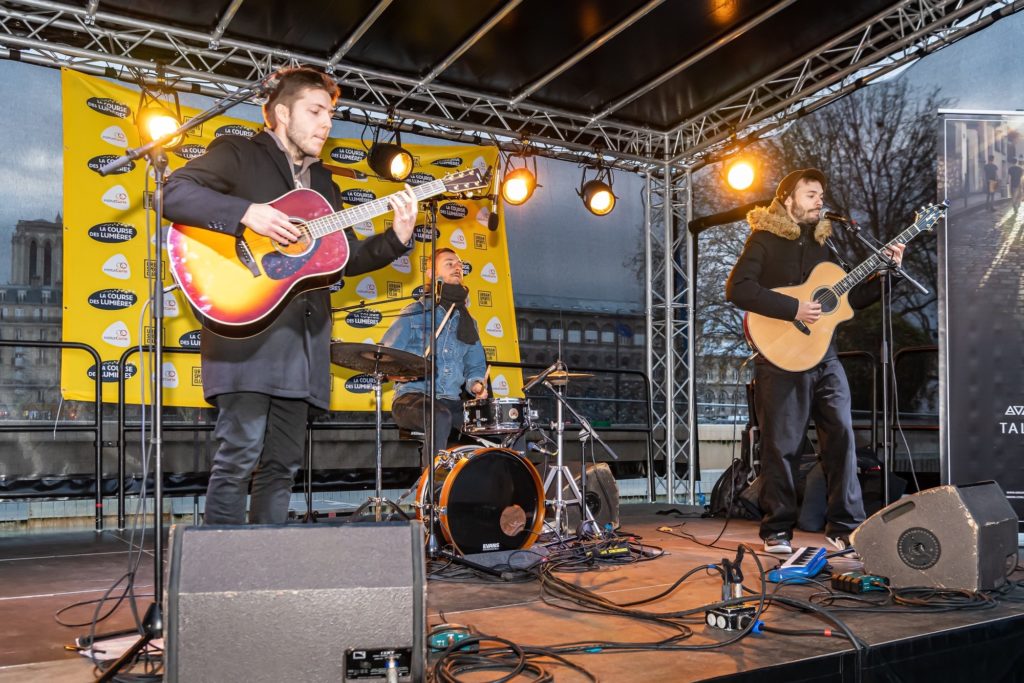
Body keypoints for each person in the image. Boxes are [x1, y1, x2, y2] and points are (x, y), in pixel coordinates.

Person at [162, 66, 418, 525]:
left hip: (304, 343)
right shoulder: (239, 153)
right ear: (281, 112)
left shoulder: (324, 184)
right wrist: (247, 214)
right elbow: (173, 194)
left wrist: (396, 238)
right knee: (238, 455)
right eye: (316, 111)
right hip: (247, 333)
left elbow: (342, 258)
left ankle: (265, 574)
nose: (327, 123)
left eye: (332, 113)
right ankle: (219, 579)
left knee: (282, 466)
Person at [725, 168, 905, 554]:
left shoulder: (827, 248)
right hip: (780, 357)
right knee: (782, 446)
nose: (819, 200)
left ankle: (845, 527)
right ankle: (777, 530)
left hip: (826, 358)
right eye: (810, 194)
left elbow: (847, 303)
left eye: (821, 194)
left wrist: (889, 274)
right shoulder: (765, 239)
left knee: (842, 440)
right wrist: (793, 308)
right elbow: (738, 288)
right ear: (788, 198)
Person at [382, 248, 488, 460]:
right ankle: (432, 487)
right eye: (449, 263)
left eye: (459, 265)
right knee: (439, 415)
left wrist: (477, 384)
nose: (457, 267)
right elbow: (385, 357)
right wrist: (396, 372)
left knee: (498, 423)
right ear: (431, 273)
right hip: (411, 398)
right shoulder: (415, 313)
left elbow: (475, 366)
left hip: (450, 400)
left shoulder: (469, 322)